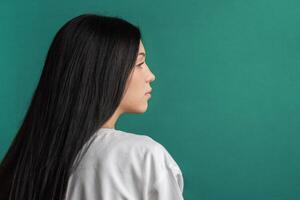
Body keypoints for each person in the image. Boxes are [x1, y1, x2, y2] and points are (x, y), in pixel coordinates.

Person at [0, 13, 184, 200]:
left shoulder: (23, 164)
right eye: (140, 63)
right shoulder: (145, 156)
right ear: (104, 72)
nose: (150, 75)